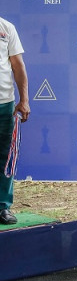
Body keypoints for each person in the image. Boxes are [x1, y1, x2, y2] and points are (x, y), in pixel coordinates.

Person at [0, 15, 29, 225]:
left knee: (5, 157)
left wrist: (24, 100)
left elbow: (18, 65)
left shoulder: (6, 27)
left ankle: (3, 206)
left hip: (5, 104)